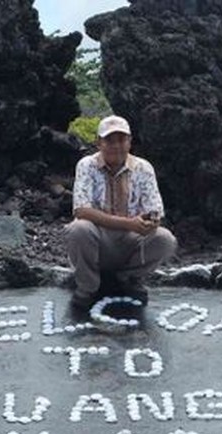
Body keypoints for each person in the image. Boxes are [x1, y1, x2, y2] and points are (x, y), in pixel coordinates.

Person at [66, 115, 178, 311]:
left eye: (121, 140)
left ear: (130, 141)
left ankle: (129, 278)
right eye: (109, 140)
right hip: (98, 238)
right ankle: (88, 286)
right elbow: (81, 210)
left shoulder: (143, 168)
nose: (116, 145)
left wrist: (150, 222)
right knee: (79, 229)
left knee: (165, 239)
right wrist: (128, 224)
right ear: (98, 143)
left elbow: (155, 210)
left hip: (131, 240)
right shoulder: (87, 165)